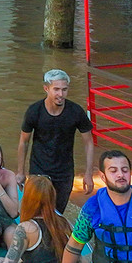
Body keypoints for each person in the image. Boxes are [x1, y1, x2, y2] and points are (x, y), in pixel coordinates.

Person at [16, 69, 96, 214]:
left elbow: (89, 142)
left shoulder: (76, 112)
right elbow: (24, 141)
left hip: (64, 173)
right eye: (56, 89)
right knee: (35, 212)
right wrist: (20, 172)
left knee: (56, 214)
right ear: (46, 88)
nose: (60, 94)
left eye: (64, 90)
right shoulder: (34, 111)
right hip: (38, 171)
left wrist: (88, 173)